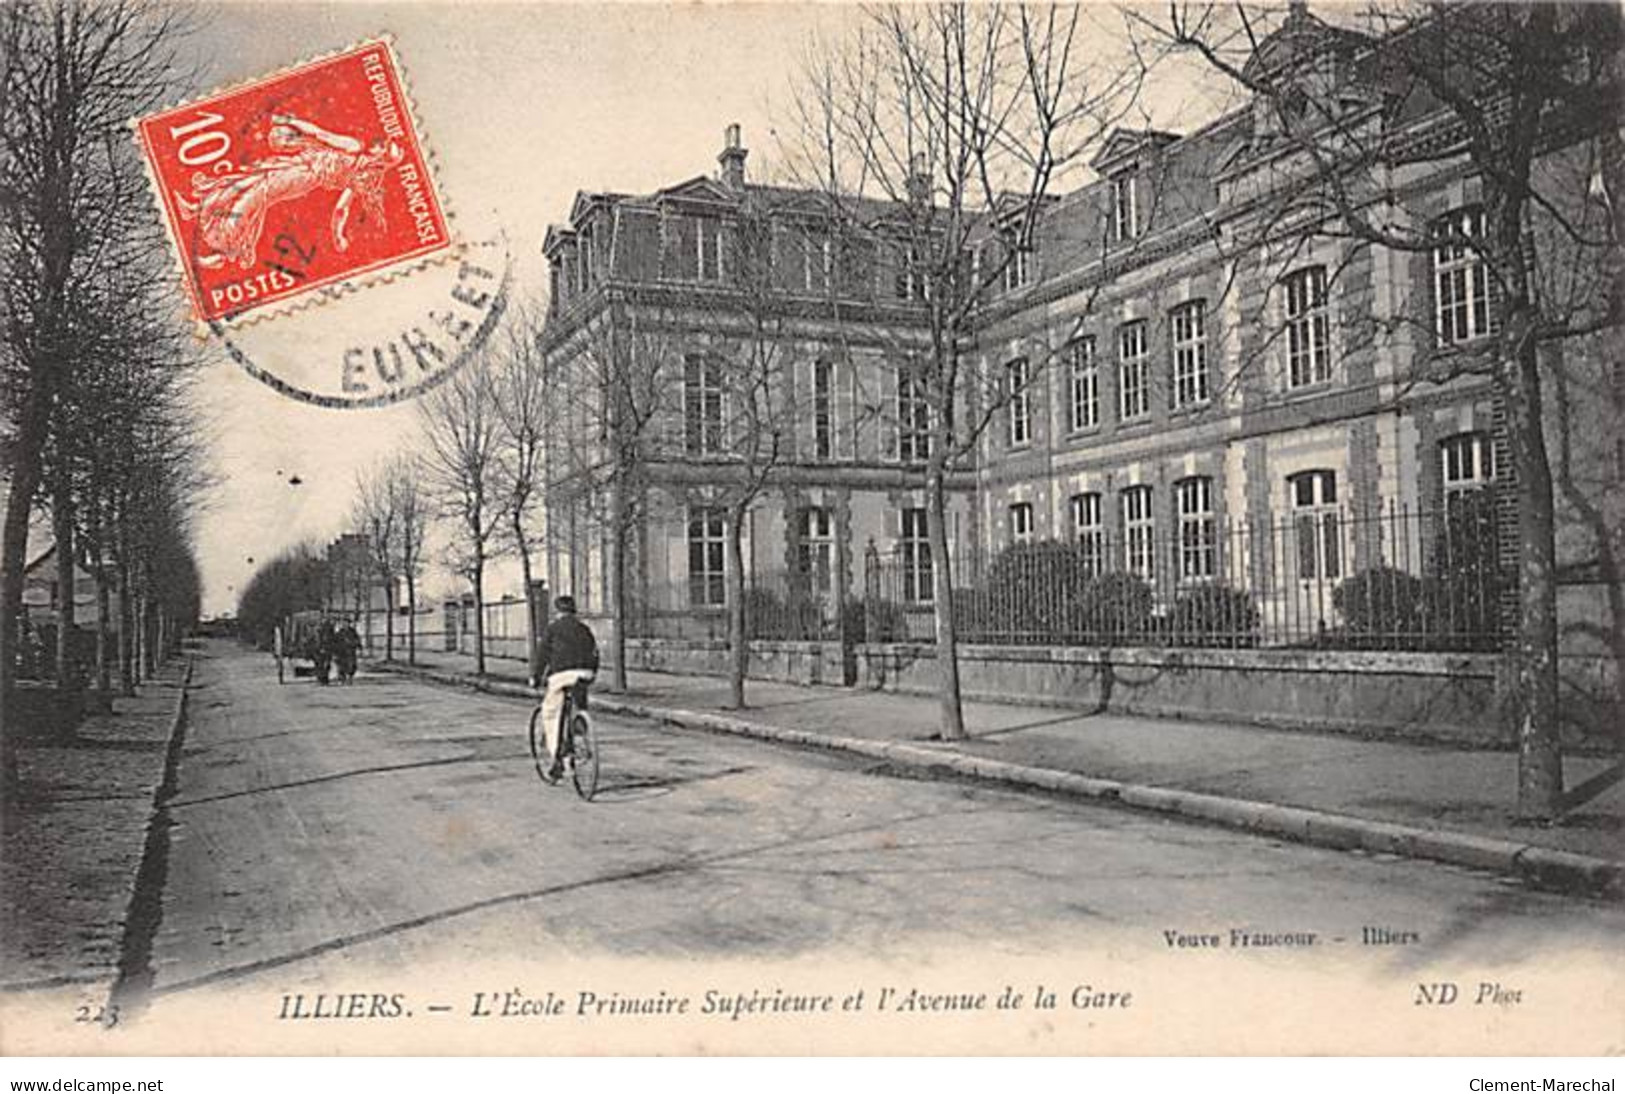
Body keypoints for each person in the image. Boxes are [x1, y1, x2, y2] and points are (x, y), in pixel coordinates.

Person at [532, 596, 599, 782]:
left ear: (557, 611)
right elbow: (595, 653)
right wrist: (592, 673)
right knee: (579, 705)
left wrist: (535, 677)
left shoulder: (553, 629)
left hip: (561, 675)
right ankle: (581, 732)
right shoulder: (585, 629)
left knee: (551, 713)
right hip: (584, 674)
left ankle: (557, 757)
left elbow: (542, 655)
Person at [313, 618, 336, 685]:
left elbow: (332, 640)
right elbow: (318, 640)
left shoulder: (330, 631)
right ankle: (321, 679)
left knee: (325, 665)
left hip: (327, 649)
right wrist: (320, 648)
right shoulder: (319, 631)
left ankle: (324, 679)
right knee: (321, 665)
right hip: (321, 649)